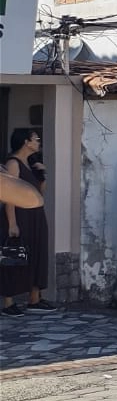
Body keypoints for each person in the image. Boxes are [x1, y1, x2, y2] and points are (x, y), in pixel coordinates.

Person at [1, 128, 51, 314]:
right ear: (26, 142)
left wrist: (42, 175)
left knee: (36, 253)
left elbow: (39, 192)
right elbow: (9, 193)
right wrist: (12, 223)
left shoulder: (30, 163)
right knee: (13, 255)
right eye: (35, 139)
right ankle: (8, 302)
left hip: (35, 214)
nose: (38, 142)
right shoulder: (13, 163)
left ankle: (34, 298)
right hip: (19, 214)